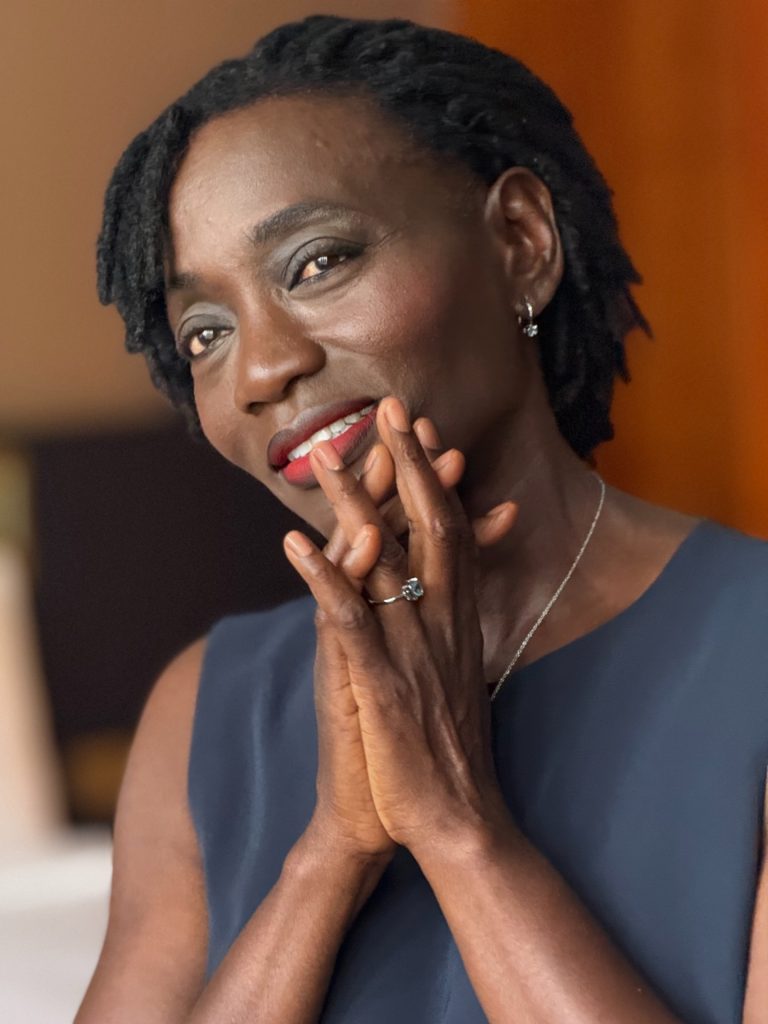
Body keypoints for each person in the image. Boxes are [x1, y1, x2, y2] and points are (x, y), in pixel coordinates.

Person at [76, 14, 767, 1024]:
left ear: (520, 241)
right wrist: (330, 853)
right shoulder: (205, 710)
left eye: (317, 262)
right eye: (206, 332)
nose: (262, 367)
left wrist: (454, 825)